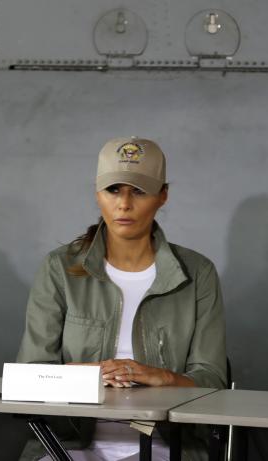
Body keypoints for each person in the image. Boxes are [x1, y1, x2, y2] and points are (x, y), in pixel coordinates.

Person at [17, 137, 227, 461]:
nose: (124, 204)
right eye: (113, 189)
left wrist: (162, 377)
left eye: (139, 191)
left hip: (169, 450)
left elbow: (212, 383)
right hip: (66, 448)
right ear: (97, 193)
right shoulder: (60, 268)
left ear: (163, 196)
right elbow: (30, 376)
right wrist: (92, 375)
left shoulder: (198, 274)